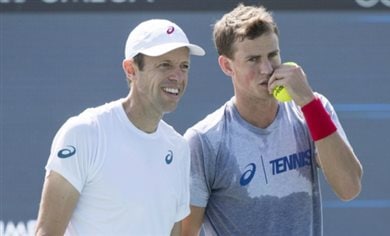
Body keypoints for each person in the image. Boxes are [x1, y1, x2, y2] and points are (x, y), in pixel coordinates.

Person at [181, 4, 363, 236]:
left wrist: (308, 102)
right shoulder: (203, 141)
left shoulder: (312, 109)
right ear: (227, 66)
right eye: (253, 59)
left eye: (272, 55)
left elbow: (349, 188)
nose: (267, 69)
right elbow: (185, 233)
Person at [35, 19, 205, 236]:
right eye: (165, 65)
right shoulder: (85, 132)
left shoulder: (179, 148)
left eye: (184, 66)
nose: (177, 76)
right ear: (131, 70)